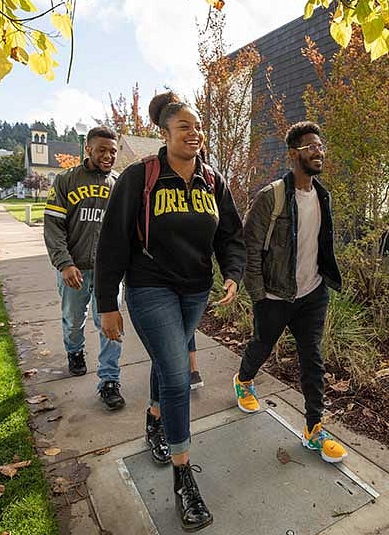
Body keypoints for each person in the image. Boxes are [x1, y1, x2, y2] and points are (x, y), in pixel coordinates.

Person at [95, 92, 245, 532]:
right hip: (149, 286)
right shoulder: (140, 177)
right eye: (185, 126)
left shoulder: (213, 180)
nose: (195, 133)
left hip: (194, 291)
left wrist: (232, 271)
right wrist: (107, 305)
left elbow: (230, 235)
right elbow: (112, 243)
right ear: (164, 133)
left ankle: (154, 419)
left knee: (170, 359)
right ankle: (183, 479)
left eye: (199, 127)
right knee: (179, 375)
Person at [234, 121, 347, 463]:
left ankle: (314, 429)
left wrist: (325, 280)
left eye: (320, 145)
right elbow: (249, 247)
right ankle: (243, 380)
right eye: (311, 146)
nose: (319, 151)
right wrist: (257, 294)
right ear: (293, 154)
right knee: (262, 345)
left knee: (312, 358)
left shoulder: (323, 196)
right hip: (276, 294)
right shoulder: (272, 197)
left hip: (312, 293)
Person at [44, 126, 125, 411]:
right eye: (102, 149)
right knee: (73, 319)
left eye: (113, 151)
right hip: (74, 269)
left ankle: (109, 381)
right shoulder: (66, 181)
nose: (108, 156)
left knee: (110, 327)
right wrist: (64, 263)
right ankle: (75, 351)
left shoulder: (118, 185)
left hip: (108, 274)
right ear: (88, 149)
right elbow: (53, 228)